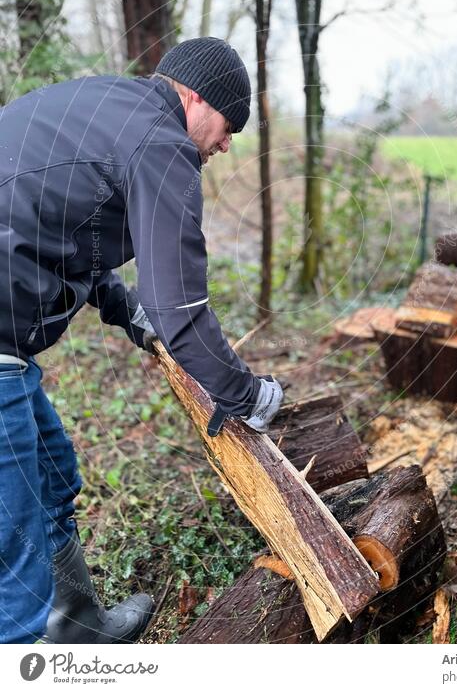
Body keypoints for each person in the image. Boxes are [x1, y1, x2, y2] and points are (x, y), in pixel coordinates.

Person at [0, 37, 283, 644]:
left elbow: (65, 230)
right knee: (14, 541)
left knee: (52, 479)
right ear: (196, 98)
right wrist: (244, 395)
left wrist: (129, 312)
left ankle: (80, 630)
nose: (227, 142)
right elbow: (181, 308)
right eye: (229, 124)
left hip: (7, 350)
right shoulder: (161, 143)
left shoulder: (108, 104)